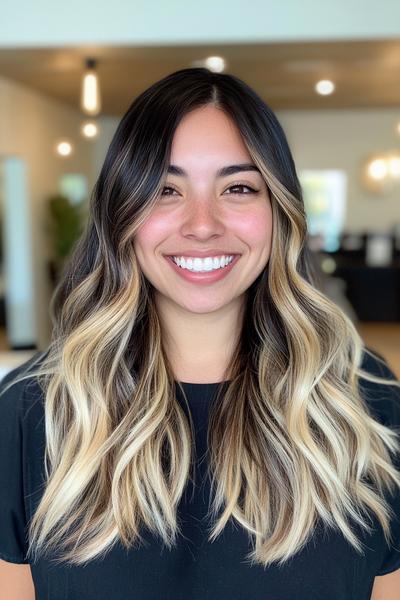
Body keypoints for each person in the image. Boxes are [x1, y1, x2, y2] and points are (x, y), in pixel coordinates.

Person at [0, 67, 399, 600]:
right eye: (165, 189)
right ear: (122, 214)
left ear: (278, 210)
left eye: (238, 187)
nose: (203, 223)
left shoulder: (365, 400)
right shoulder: (33, 410)